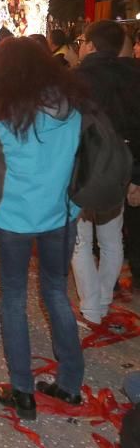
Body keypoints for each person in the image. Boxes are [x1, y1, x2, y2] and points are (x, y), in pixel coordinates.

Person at [0, 37, 86, 421]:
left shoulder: (6, 114)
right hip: (60, 215)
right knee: (57, 294)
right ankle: (71, 385)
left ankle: (23, 392)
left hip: (16, 218)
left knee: (13, 300)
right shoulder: (73, 105)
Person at [71, 21, 140, 318]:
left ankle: (90, 306)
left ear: (91, 45)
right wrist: (136, 176)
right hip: (121, 166)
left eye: (83, 40)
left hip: (84, 167)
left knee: (82, 241)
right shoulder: (134, 75)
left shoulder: (77, 78)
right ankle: (101, 300)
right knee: (112, 239)